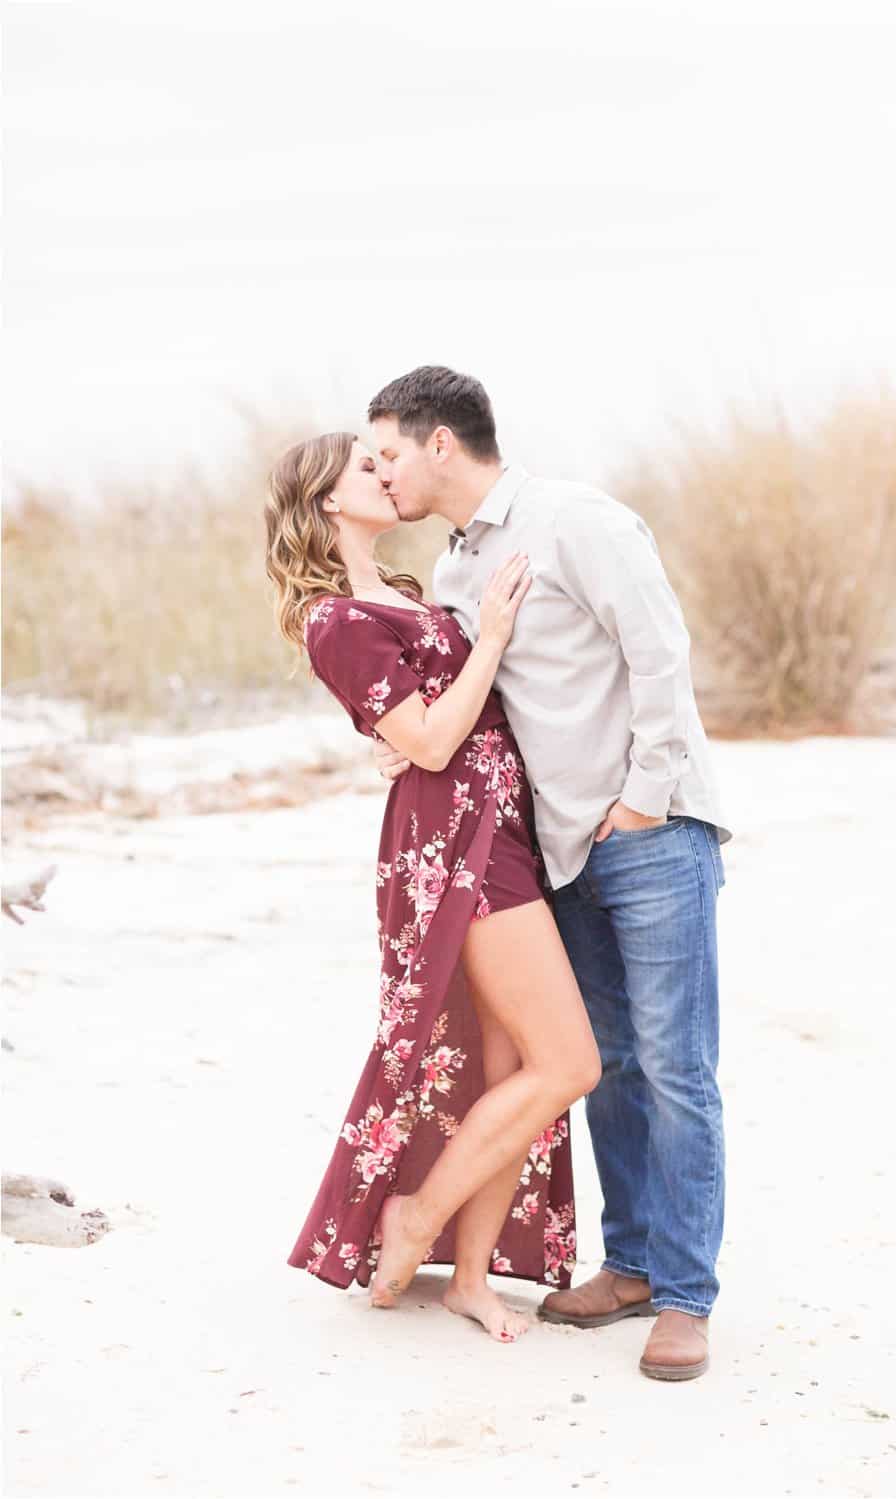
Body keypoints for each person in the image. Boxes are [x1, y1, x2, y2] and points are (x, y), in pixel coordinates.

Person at [367, 366, 732, 1381]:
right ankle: (631, 1264)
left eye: (390, 451)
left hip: (648, 831)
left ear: (442, 442)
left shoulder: (575, 518)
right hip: (555, 845)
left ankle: (688, 1296)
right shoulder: (451, 571)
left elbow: (660, 650)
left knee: (674, 1063)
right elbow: (461, 706)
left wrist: (647, 796)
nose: (382, 472)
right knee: (607, 1059)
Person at [265, 431, 601, 1344]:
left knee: (509, 1065)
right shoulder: (335, 619)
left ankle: (471, 1277)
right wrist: (490, 635)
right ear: (328, 501)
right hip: (454, 844)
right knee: (569, 1062)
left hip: (501, 826)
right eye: (364, 468)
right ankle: (413, 1216)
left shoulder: (408, 595)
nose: (385, 473)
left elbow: (419, 730)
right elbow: (430, 742)